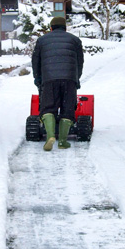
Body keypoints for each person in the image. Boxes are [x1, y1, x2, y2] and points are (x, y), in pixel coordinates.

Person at [32, 16, 84, 151]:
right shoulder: (75, 40)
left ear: (51, 28)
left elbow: (35, 62)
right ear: (65, 28)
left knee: (48, 108)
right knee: (68, 109)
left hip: (49, 79)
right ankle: (62, 141)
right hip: (69, 79)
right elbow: (80, 62)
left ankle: (50, 136)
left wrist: (38, 79)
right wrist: (75, 78)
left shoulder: (42, 40)